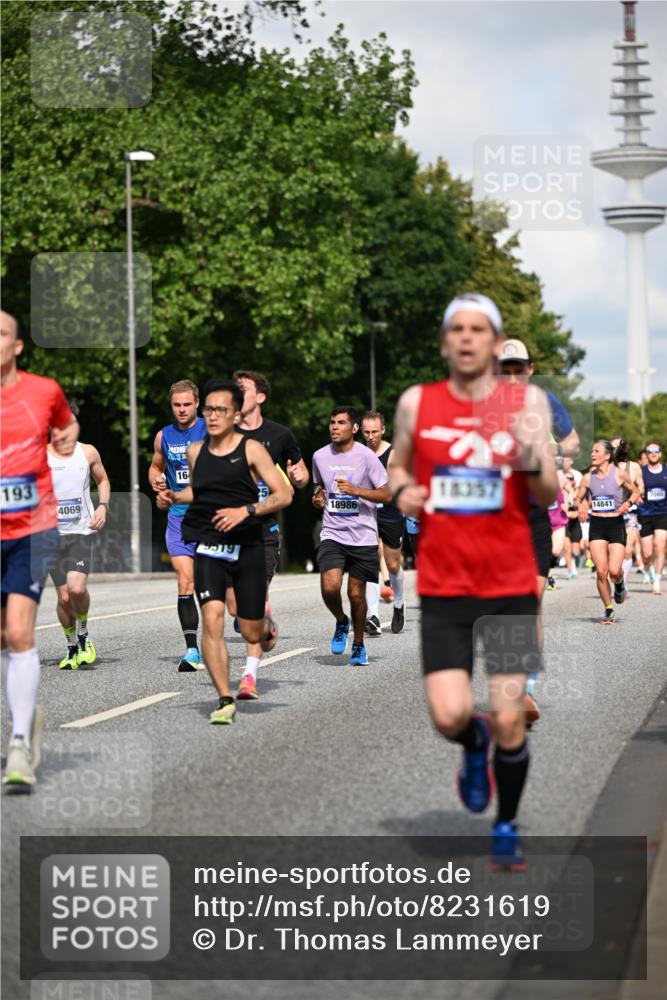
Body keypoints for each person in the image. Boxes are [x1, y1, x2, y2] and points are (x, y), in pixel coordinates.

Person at [390, 292, 558, 869]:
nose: (466, 338)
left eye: (477, 329)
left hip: (509, 583)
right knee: (450, 714)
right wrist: (402, 489)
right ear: (445, 342)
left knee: (510, 711)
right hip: (445, 586)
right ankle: (474, 745)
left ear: (493, 340)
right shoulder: (418, 403)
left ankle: (506, 824)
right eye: (456, 329)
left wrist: (530, 452)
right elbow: (399, 467)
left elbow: (547, 492)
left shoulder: (524, 400)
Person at [160, 378, 292, 724]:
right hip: (209, 545)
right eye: (210, 410)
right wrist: (173, 496)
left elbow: (284, 494)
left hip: (247, 545)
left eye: (221, 410)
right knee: (213, 619)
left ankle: (264, 628)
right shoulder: (195, 452)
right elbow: (197, 492)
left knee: (249, 630)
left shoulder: (252, 450)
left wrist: (246, 511)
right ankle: (223, 698)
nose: (213, 416)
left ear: (235, 415)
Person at [1, 310, 78, 787]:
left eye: (1, 334)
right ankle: (28, 719)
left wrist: (63, 438)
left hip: (33, 526)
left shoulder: (43, 391)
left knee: (18, 629)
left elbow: (65, 428)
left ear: (17, 345)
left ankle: (19, 744)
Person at [497, 338, 579, 723]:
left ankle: (525, 689)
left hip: (533, 518)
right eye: (505, 368)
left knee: (531, 602)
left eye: (518, 368)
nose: (512, 375)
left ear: (529, 369)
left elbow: (572, 440)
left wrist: (556, 455)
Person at [232, 370, 309, 699]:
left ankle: (249, 676)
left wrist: (299, 475)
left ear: (260, 397)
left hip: (264, 531)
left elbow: (301, 476)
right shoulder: (223, 432)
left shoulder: (279, 435)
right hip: (228, 530)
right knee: (238, 611)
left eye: (243, 389)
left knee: (252, 601)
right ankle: (260, 622)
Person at [312, 406, 391, 666]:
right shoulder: (320, 456)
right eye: (332, 422)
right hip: (333, 533)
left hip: (363, 536)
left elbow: (386, 494)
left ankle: (358, 644)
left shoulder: (366, 457)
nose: (334, 427)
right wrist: (318, 496)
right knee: (329, 586)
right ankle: (340, 620)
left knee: (356, 595)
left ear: (354, 428)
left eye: (341, 422)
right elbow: (319, 487)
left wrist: (356, 490)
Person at [47, 404, 111, 669]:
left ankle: (84, 635)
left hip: (80, 533)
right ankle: (71, 646)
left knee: (76, 589)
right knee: (63, 598)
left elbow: (103, 481)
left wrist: (103, 507)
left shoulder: (87, 452)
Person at [149, 380, 207, 671]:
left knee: (218, 589)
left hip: (211, 519)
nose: (182, 410)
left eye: (187, 404)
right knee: (185, 583)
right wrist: (156, 483)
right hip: (178, 519)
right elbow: (155, 466)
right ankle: (192, 649)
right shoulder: (165, 436)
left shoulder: (210, 429)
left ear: (197, 403)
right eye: (176, 405)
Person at [575, 440, 640, 623]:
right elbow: (578, 497)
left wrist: (628, 503)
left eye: (596, 451)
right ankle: (609, 609)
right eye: (592, 451)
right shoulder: (588, 477)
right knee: (601, 572)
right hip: (597, 524)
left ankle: (619, 584)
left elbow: (635, 492)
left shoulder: (619, 475)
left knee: (614, 570)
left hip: (616, 524)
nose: (592, 454)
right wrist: (581, 505)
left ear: (607, 455)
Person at [360, 410, 406, 635]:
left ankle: (398, 604)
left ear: (383, 430)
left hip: (390, 513)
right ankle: (374, 615)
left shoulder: (393, 454)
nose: (370, 436)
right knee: (369, 561)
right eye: (366, 432)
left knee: (393, 564)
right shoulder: (357, 453)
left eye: (374, 432)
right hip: (366, 513)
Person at [611, 437, 645, 590]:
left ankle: (621, 585)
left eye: (619, 446)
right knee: (610, 551)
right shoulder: (606, 467)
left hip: (629, 511)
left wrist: (636, 497)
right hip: (609, 514)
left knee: (627, 549)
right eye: (613, 446)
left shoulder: (635, 467)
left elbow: (641, 487)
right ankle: (614, 573)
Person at [637, 442, 667, 596]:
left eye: (656, 451)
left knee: (660, 546)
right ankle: (648, 567)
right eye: (650, 451)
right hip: (645, 514)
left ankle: (657, 581)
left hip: (663, 513)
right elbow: (633, 489)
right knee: (647, 553)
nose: (653, 453)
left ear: (660, 454)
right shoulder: (641, 472)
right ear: (646, 455)